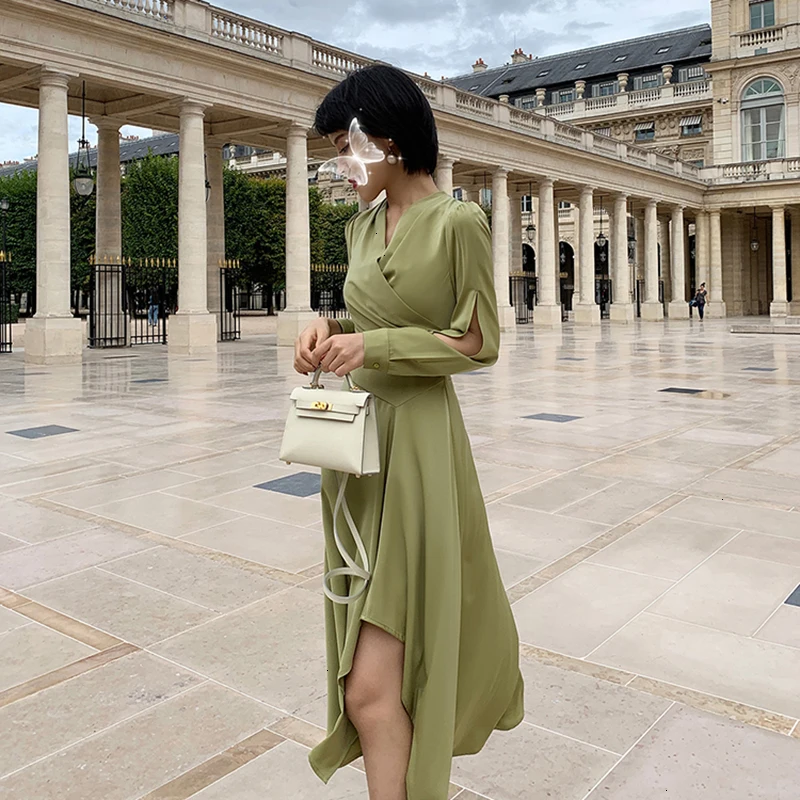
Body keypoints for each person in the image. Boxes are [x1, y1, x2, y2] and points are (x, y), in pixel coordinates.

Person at [293, 64, 524, 800]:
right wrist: (328, 328)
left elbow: (477, 342)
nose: (341, 165)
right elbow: (371, 316)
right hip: (361, 445)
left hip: (420, 444)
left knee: (370, 687)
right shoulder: (360, 226)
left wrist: (376, 346)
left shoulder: (459, 222)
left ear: (388, 139)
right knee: (370, 688)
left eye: (346, 147)